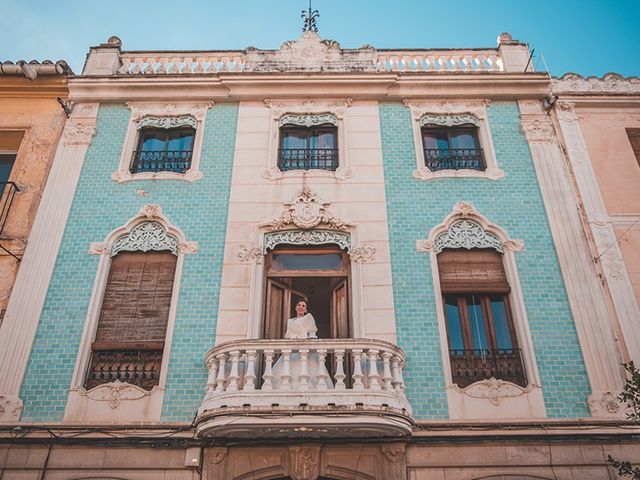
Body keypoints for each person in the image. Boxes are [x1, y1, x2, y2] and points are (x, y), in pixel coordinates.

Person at [271, 300, 333, 390]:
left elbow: (312, 334)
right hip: (293, 348)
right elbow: (288, 335)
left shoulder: (309, 319)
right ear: (296, 308)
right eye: (299, 305)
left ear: (305, 310)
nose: (301, 307)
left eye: (303, 306)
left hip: (304, 349)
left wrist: (307, 340)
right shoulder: (290, 321)